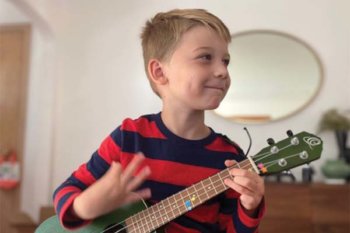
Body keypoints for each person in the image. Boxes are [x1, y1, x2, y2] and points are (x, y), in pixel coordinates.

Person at [53, 8, 265, 233]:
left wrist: (250, 207)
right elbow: (65, 192)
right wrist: (87, 206)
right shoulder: (129, 138)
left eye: (226, 61)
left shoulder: (229, 159)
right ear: (159, 72)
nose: (222, 71)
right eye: (205, 57)